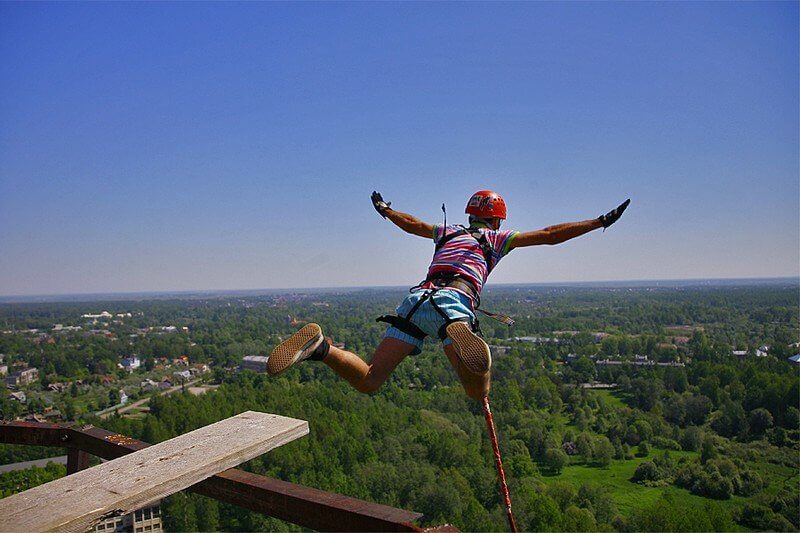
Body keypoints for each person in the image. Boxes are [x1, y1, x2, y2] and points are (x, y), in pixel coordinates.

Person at [268, 190, 630, 400]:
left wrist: (385, 210)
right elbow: (551, 234)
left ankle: (320, 349)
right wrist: (598, 222)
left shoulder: (446, 231)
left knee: (370, 380)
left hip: (415, 300)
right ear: (499, 221)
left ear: (470, 214)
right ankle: (475, 352)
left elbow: (412, 225)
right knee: (478, 393)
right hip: (455, 302)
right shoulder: (497, 239)